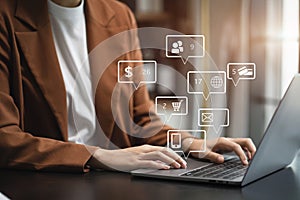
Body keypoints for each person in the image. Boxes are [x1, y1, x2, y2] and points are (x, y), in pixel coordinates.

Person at [0, 0, 256, 173]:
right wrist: (98, 156)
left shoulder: (119, 15)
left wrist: (190, 143)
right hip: (43, 182)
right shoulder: (6, 16)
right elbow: (5, 138)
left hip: (116, 181)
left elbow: (141, 119)